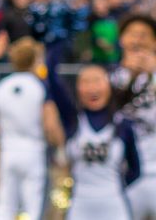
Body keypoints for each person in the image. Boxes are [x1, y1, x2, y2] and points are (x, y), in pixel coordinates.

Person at [0, 37, 64, 220]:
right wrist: (60, 148)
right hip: (34, 151)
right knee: (33, 205)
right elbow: (51, 125)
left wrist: (1, 134)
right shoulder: (40, 87)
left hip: (8, 150)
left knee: (5, 204)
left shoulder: (0, 87)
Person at [50, 62, 141, 219]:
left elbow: (135, 169)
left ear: (109, 85)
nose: (92, 88)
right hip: (80, 207)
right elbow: (51, 76)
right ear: (77, 88)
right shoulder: (72, 121)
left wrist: (113, 190)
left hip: (114, 207)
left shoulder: (122, 124)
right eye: (85, 82)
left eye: (97, 80)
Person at [112, 14, 156, 219]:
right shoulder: (108, 78)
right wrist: (129, 78)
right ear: (121, 39)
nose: (137, 39)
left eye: (144, 35)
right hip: (123, 175)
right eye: (132, 34)